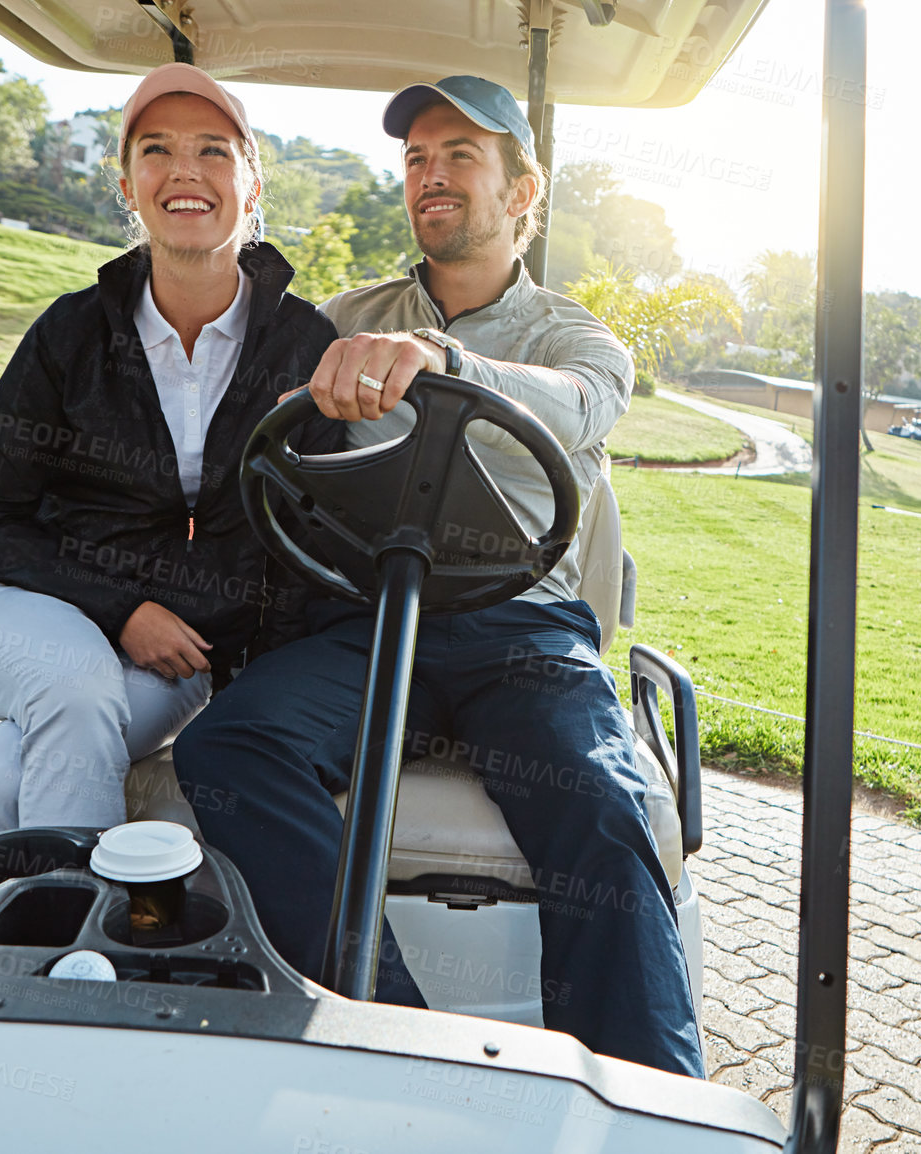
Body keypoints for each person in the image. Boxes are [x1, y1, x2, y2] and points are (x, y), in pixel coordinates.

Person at [173, 75, 703, 1078]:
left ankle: (646, 1093)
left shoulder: (572, 335)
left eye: (461, 154)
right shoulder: (341, 316)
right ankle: (388, 1036)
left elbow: (579, 402)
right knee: (233, 747)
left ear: (522, 190)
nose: (431, 175)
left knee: (598, 793)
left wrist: (438, 358)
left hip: (524, 634)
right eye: (417, 158)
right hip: (378, 620)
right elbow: (251, 423)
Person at [0, 63, 339, 897]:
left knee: (3, 778)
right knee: (74, 690)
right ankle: (71, 939)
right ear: (128, 184)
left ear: (251, 181)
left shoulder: (304, 343)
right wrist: (122, 608)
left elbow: (311, 537)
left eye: (212, 151)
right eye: (157, 151)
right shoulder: (71, 333)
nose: (184, 171)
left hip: (177, 659)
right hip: (32, 607)